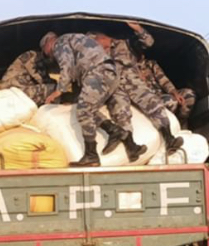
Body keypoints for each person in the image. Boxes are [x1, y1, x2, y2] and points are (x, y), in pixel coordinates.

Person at [40, 32, 146, 167]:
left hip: (97, 72)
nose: (48, 55)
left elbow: (65, 66)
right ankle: (125, 139)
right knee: (89, 109)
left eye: (45, 52)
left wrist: (58, 91)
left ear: (48, 43)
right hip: (109, 73)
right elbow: (75, 70)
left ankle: (91, 156)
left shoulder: (59, 43)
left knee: (83, 111)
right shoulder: (74, 40)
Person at [90, 23, 183, 156]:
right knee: (120, 112)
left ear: (102, 37)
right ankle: (131, 147)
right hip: (113, 85)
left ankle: (169, 139)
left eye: (94, 41)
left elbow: (149, 42)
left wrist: (138, 29)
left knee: (153, 104)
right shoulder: (95, 54)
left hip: (131, 80)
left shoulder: (124, 43)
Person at [137, 58, 196, 126]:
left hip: (162, 94)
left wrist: (175, 93)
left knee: (189, 95)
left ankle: (181, 122)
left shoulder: (150, 64)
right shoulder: (127, 69)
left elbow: (164, 81)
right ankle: (168, 127)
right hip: (148, 100)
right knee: (171, 101)